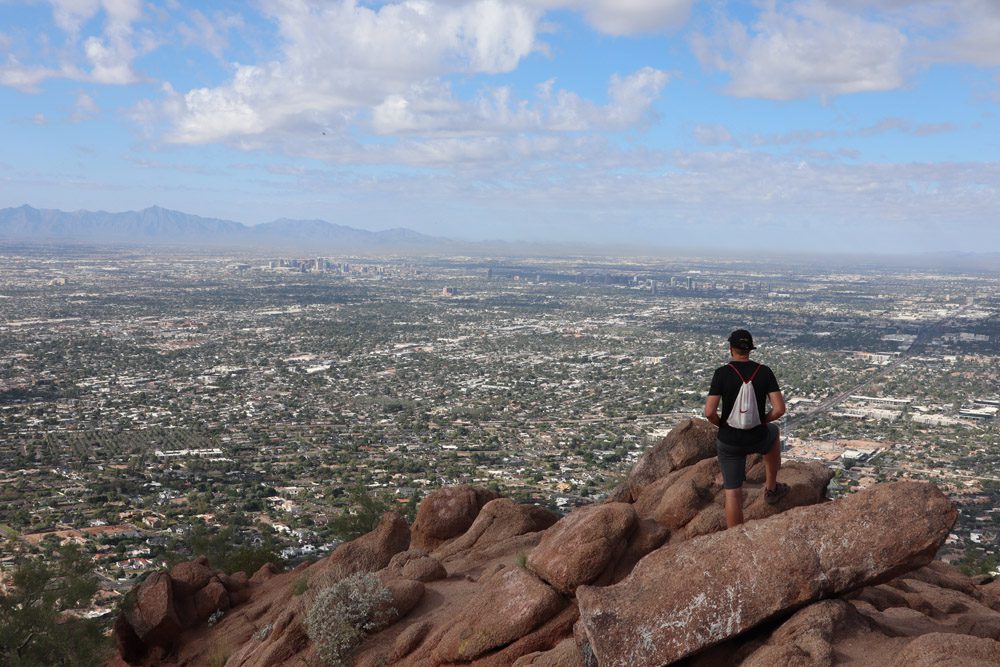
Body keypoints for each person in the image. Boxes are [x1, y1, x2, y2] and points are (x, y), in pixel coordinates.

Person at [704, 329, 788, 528]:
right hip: (757, 437)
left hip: (729, 442)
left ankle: (735, 538)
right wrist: (763, 421)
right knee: (774, 433)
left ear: (730, 348)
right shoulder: (764, 372)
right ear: (750, 349)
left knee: (732, 491)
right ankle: (771, 488)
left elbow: (709, 412)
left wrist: (722, 424)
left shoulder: (722, 374)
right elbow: (779, 409)